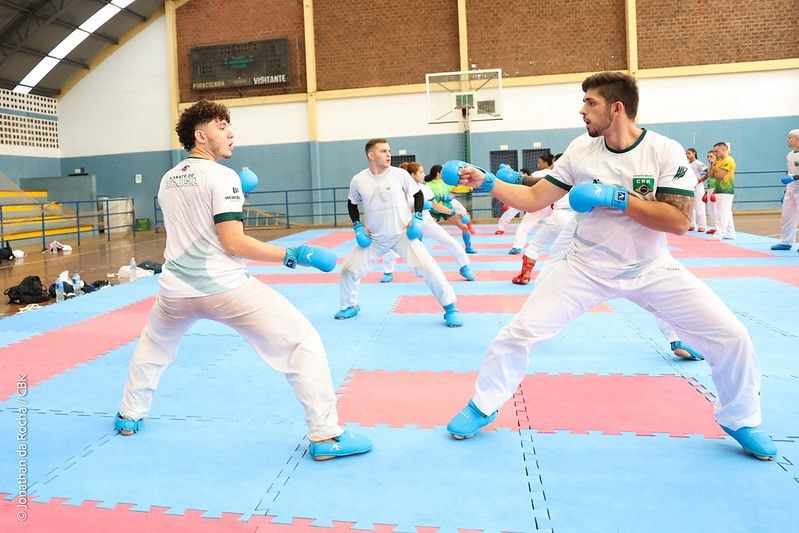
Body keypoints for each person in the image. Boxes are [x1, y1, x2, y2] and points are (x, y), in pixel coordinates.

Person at [444, 71, 776, 460]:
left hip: (652, 268)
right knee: (517, 335)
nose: (582, 110)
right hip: (584, 268)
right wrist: (487, 183)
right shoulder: (580, 150)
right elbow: (534, 197)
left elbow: (679, 222)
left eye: (590, 102)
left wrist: (618, 198)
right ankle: (483, 405)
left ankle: (741, 418)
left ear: (616, 108)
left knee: (731, 336)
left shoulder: (664, 151)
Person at [114, 100, 372, 461]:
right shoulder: (222, 176)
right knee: (301, 343)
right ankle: (326, 435)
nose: (231, 133)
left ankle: (129, 415)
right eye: (222, 127)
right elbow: (232, 242)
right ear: (201, 135)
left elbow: (196, 222)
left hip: (174, 290)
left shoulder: (169, 178)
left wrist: (238, 196)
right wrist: (293, 254)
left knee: (153, 346)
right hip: (223, 287)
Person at [336, 139, 463, 327]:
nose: (389, 154)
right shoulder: (359, 180)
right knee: (348, 270)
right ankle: (350, 305)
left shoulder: (399, 174)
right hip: (375, 238)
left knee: (428, 267)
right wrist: (357, 227)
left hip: (403, 234)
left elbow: (418, 195)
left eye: (389, 150)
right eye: (383, 151)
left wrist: (418, 217)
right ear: (372, 155)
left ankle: (450, 307)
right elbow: (352, 203)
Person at [380, 162, 476, 282]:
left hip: (425, 220)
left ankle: (464, 267)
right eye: (421, 172)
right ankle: (388, 272)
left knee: (449, 241)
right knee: (392, 247)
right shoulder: (400, 190)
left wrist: (453, 212)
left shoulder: (425, 189)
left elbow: (436, 206)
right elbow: (397, 208)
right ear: (412, 174)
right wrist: (418, 207)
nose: (424, 174)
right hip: (405, 221)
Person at [508, 155, 555, 254]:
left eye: (539, 162)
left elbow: (527, 186)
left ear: (546, 163)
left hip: (539, 203)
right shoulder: (555, 173)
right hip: (553, 204)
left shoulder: (537, 174)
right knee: (557, 224)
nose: (538, 164)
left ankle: (517, 246)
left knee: (524, 227)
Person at [426, 164, 476, 253]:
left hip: (447, 210)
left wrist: (469, 188)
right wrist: (442, 198)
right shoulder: (428, 185)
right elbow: (428, 198)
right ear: (438, 173)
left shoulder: (445, 182)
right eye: (443, 172)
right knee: (421, 228)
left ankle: (468, 247)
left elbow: (456, 189)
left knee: (464, 228)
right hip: (434, 211)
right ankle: (417, 250)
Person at [770, 129, 799, 251]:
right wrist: (785, 192)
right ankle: (786, 241)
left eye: (790, 137)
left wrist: (794, 177)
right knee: (787, 215)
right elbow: (789, 172)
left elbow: (793, 175)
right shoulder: (789, 155)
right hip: (791, 188)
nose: (788, 139)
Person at [709, 142, 736, 240]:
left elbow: (720, 176)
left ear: (724, 150)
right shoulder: (718, 161)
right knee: (727, 212)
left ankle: (718, 234)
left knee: (721, 213)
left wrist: (716, 172)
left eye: (717, 151)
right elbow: (711, 175)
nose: (715, 153)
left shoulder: (729, 160)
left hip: (726, 189)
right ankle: (730, 233)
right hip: (720, 189)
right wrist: (712, 164)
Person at [494, 168, 531, 234]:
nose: (520, 175)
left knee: (534, 216)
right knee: (508, 214)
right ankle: (501, 229)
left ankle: (525, 229)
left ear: (526, 174)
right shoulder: (516, 182)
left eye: (521, 173)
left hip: (530, 201)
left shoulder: (531, 181)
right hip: (519, 202)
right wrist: (507, 203)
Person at [686, 148, 707, 232]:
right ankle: (691, 224)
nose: (687, 155)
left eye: (689, 153)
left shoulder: (698, 163)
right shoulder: (686, 163)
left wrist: (701, 180)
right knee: (691, 206)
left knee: (699, 206)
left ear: (694, 153)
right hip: (689, 186)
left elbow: (708, 172)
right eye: (686, 153)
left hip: (698, 186)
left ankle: (702, 225)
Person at [703, 150, 719, 234]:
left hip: (715, 189)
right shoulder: (710, 167)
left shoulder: (717, 166)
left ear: (716, 157)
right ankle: (714, 226)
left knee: (715, 209)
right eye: (708, 157)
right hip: (709, 188)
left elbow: (719, 179)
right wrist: (706, 192)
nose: (709, 158)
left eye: (711, 157)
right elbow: (709, 179)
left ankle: (718, 227)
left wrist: (715, 192)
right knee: (710, 209)